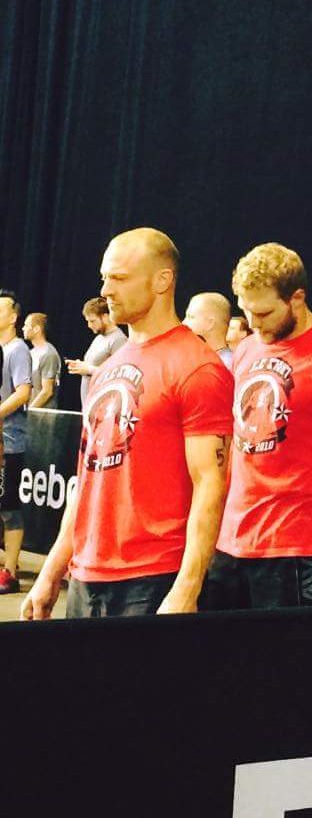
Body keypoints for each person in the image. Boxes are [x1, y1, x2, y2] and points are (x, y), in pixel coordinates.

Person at [21, 228, 234, 619]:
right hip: (86, 575)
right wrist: (51, 569)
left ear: (162, 280)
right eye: (104, 277)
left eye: (118, 277)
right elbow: (86, 479)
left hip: (153, 580)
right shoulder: (108, 370)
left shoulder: (199, 368)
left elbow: (211, 486)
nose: (106, 289)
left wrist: (187, 587)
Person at [206, 243, 312, 609]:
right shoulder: (248, 349)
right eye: (245, 311)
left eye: (264, 312)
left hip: (299, 548)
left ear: (297, 298)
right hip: (232, 541)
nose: (253, 323)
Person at [0, 290, 33, 594]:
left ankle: (10, 572)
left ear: (13, 317)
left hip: (9, 442)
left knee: (8, 506)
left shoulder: (17, 349)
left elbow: (23, 392)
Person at [66, 296, 127, 407]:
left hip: (103, 407)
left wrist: (89, 369)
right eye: (88, 321)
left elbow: (119, 376)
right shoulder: (99, 338)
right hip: (89, 405)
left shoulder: (119, 339)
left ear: (105, 316)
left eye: (92, 321)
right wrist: (80, 366)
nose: (89, 325)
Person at [183, 291, 233, 368]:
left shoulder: (225, 364)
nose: (184, 322)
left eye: (191, 317)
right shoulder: (202, 359)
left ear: (210, 323)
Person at [23, 313, 62, 409]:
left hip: (43, 418)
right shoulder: (30, 353)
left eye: (26, 325)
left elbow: (47, 391)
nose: (23, 328)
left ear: (36, 329)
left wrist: (29, 411)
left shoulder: (49, 354)